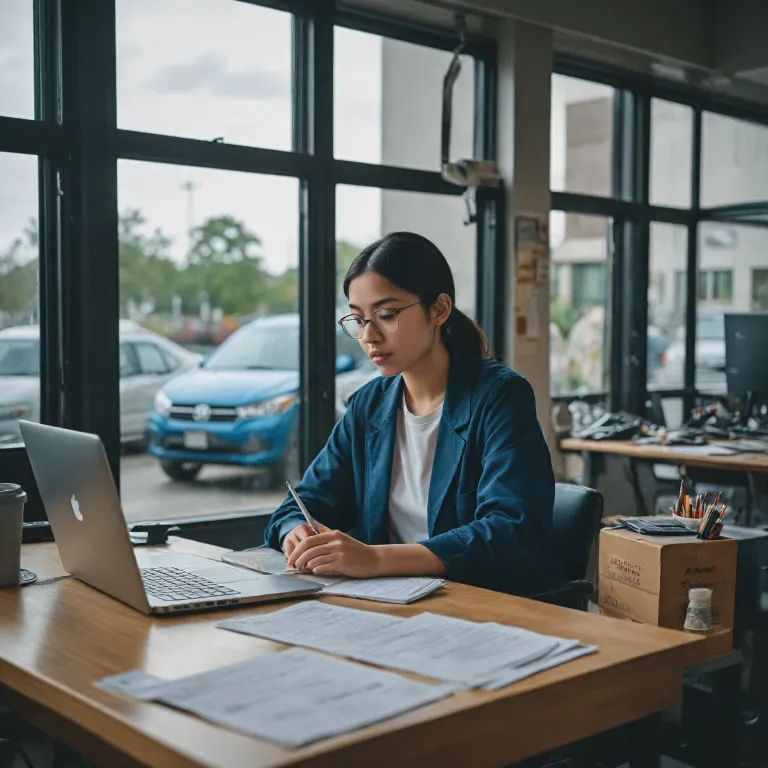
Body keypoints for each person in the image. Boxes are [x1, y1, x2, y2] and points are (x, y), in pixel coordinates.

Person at [264, 231, 557, 595]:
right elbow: (300, 504)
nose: (369, 335)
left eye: (386, 315)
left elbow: (509, 531)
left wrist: (374, 560)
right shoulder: (367, 405)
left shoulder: (499, 397)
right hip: (387, 602)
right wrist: (296, 531)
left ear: (439, 309)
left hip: (477, 604)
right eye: (358, 319)